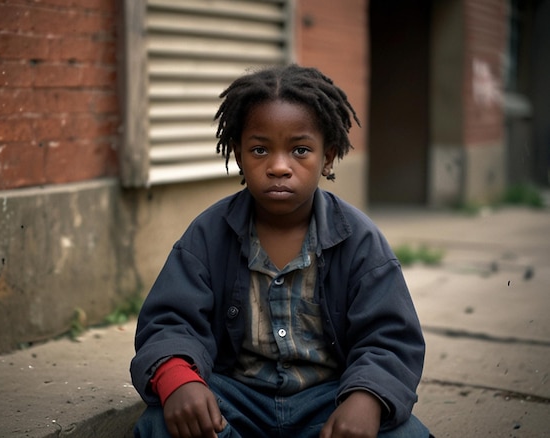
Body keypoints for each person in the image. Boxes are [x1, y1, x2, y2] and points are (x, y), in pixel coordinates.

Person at [130, 64, 431, 438]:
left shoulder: (360, 241)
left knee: (406, 434)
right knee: (159, 424)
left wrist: (367, 398)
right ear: (239, 155)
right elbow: (170, 321)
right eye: (260, 150)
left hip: (329, 400)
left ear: (329, 157)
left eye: (300, 150)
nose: (278, 167)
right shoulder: (208, 235)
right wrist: (179, 379)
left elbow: (390, 337)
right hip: (235, 400)